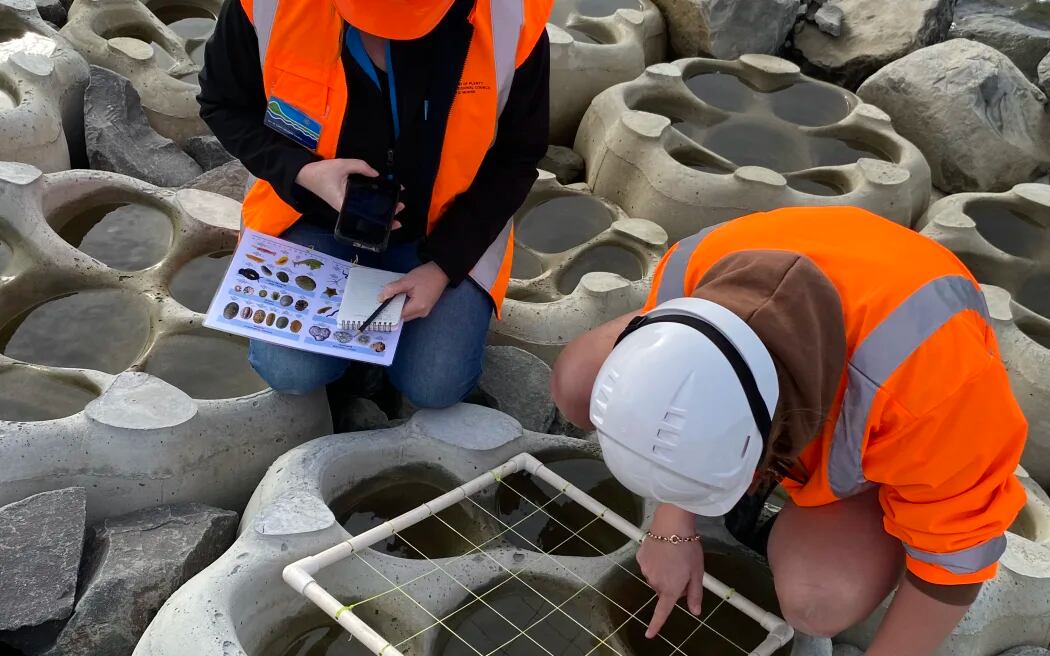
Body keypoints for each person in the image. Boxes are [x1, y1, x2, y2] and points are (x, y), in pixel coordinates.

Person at [551, 206, 1028, 655]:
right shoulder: (692, 268)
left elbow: (954, 564)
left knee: (819, 601)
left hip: (892, 375)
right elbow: (682, 401)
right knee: (576, 382)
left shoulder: (931, 386)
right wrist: (671, 525)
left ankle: (856, 498)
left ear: (772, 442)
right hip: (826, 288)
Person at [197, 0, 552, 408]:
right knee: (291, 371)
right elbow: (221, 103)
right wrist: (302, 172)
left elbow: (517, 158)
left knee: (435, 385)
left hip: (448, 227)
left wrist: (443, 266)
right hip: (308, 211)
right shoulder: (263, 5)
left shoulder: (512, 18)